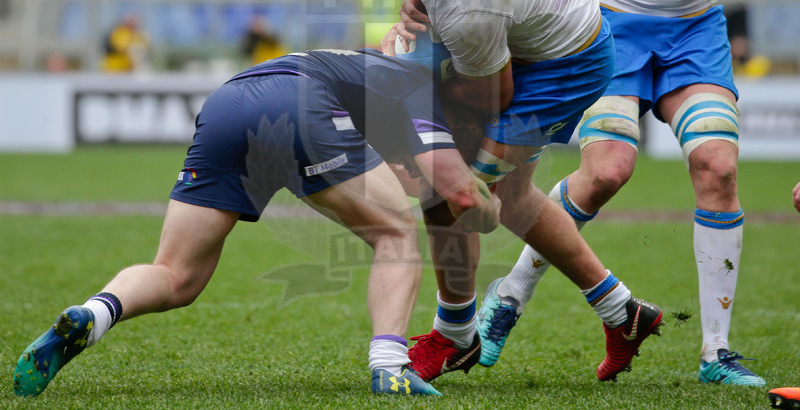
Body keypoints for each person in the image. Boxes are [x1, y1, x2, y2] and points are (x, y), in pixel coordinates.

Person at [13, 47, 501, 398]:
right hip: (299, 103)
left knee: (177, 275)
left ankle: (93, 314)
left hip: (228, 102)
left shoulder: (372, 68)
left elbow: (396, 171)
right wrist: (493, 201)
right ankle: (390, 366)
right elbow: (457, 192)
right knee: (395, 236)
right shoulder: (421, 87)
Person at [476, 0, 780, 387]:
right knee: (606, 173)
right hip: (607, 27)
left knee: (718, 167)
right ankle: (510, 293)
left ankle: (718, 353)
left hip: (695, 30)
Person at [340, 0, 664, 384]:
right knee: (510, 196)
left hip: (563, 68)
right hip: (541, 30)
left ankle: (455, 334)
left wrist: (419, 82)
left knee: (451, 193)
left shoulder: (469, 3)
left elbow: (494, 92)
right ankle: (623, 312)